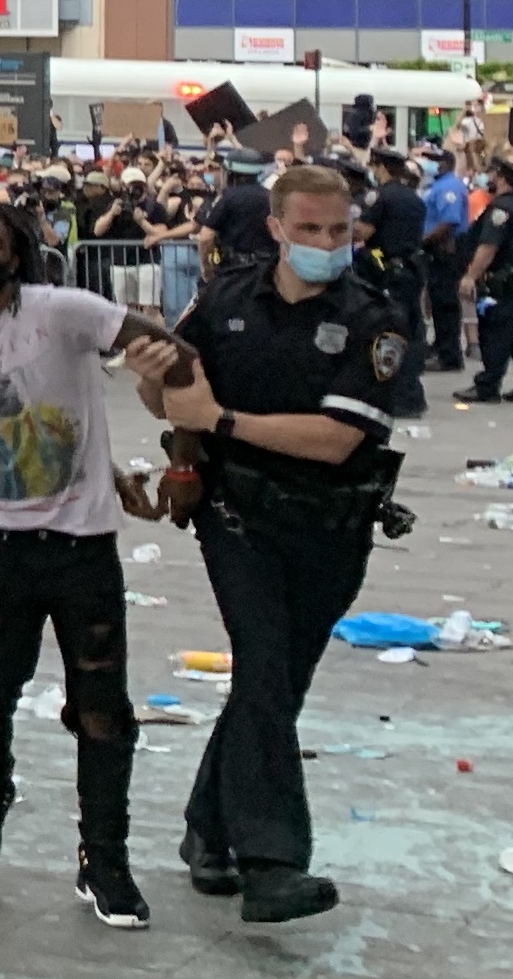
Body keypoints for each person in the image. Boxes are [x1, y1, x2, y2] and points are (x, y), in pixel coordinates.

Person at [126, 162, 406, 923]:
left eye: (338, 230)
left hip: (330, 525)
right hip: (238, 517)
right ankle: (272, 861)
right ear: (277, 227)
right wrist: (151, 377)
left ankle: (207, 828)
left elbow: (337, 438)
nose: (325, 242)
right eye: (309, 228)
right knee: (262, 664)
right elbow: (173, 388)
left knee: (276, 684)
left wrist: (222, 420)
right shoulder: (224, 300)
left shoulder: (374, 317)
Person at [0, 195, 193, 930]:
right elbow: (13, 436)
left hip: (84, 552)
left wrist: (181, 458)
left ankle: (104, 858)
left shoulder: (64, 309)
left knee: (103, 712)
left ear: (15, 252)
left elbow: (175, 353)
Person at [454, 159, 513, 403]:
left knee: (495, 332)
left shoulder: (501, 209)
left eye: (492, 174)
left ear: (501, 178)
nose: (488, 178)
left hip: (503, 282)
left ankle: (488, 385)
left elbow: (488, 246)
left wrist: (471, 276)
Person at [354, 147, 429, 418]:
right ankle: (413, 394)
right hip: (411, 269)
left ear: (381, 167)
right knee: (411, 329)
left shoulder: (380, 197)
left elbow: (363, 231)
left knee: (388, 330)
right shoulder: (414, 198)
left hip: (387, 272)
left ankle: (401, 396)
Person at [419, 148, 471, 370]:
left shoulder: (449, 186)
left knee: (446, 302)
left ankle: (449, 355)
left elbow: (449, 221)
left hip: (446, 249)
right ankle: (441, 346)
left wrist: (423, 241)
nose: (431, 165)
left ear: (446, 164)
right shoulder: (437, 186)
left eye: (435, 161)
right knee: (438, 302)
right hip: (437, 250)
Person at [195, 147, 276, 277]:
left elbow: (206, 237)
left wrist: (206, 268)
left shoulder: (228, 197)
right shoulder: (271, 197)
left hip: (234, 271)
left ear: (229, 173)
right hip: (267, 270)